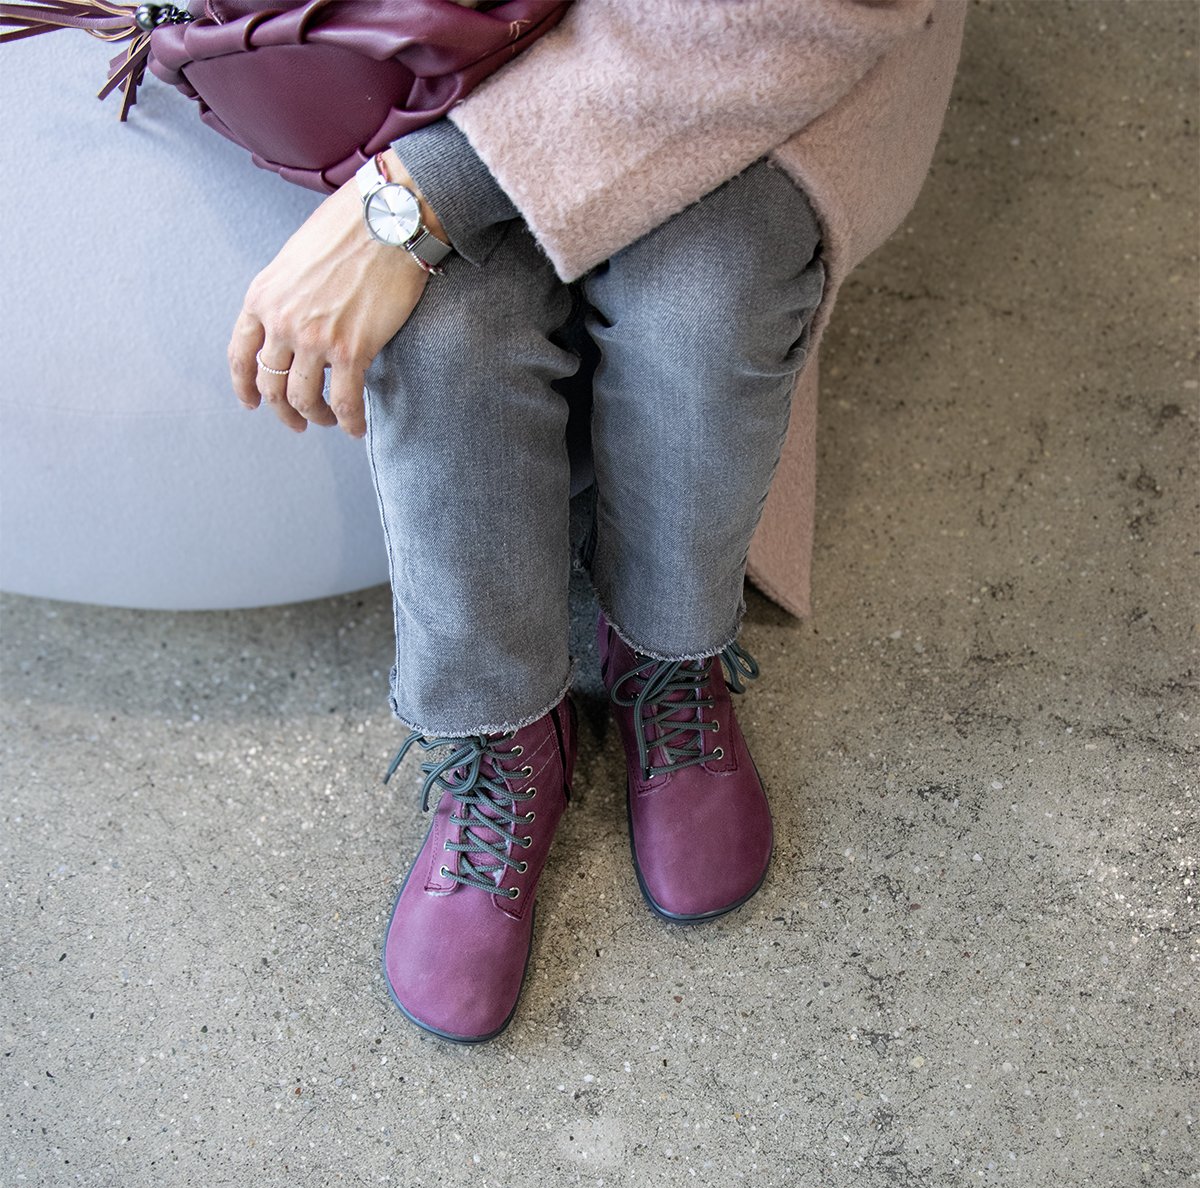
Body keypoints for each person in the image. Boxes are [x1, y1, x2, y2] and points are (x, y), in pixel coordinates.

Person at [226, 0, 967, 1042]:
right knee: (442, 329)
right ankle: (505, 739)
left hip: (768, 45)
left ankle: (665, 652)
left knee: (704, 296)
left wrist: (418, 197)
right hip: (464, 43)